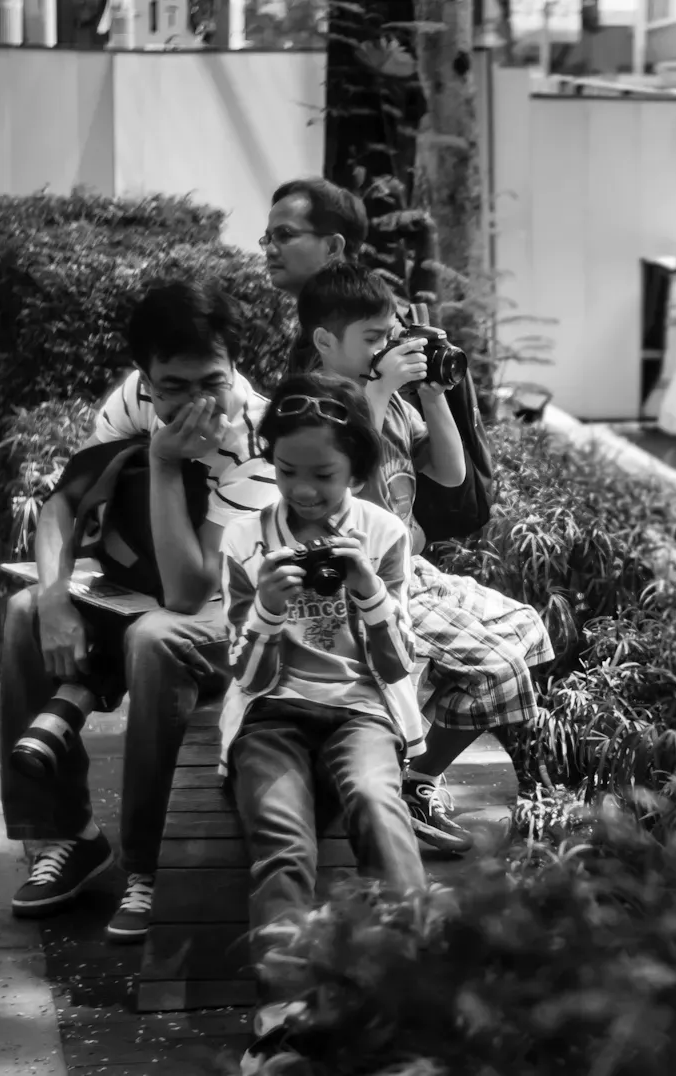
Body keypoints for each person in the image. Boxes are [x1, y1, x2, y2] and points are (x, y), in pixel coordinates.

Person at [0, 278, 277, 941]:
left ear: (233, 364)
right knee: (23, 612)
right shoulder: (136, 396)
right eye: (171, 387)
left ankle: (147, 867)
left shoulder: (261, 444)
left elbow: (192, 593)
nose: (190, 403)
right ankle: (66, 837)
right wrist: (55, 598)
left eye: (208, 382)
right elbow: (64, 505)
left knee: (154, 638)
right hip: (140, 586)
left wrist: (159, 461)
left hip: (236, 612)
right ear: (148, 376)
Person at [289, 258, 555, 855]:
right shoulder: (317, 403)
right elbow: (339, 492)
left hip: (412, 570)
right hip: (356, 584)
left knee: (528, 631)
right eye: (374, 339)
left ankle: (415, 775)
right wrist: (378, 390)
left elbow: (450, 473)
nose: (389, 349)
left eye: (392, 335)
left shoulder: (397, 401)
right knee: (498, 669)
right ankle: (412, 775)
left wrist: (437, 395)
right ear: (326, 341)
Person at [220, 371, 427, 1073]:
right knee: (282, 837)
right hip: (271, 712)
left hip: (360, 709)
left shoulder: (383, 532)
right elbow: (244, 676)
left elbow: (397, 667)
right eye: (285, 471)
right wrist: (268, 609)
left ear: (359, 471)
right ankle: (280, 1019)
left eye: (325, 476)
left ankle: (407, 1001)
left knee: (376, 799)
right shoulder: (246, 537)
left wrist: (368, 588)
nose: (304, 491)